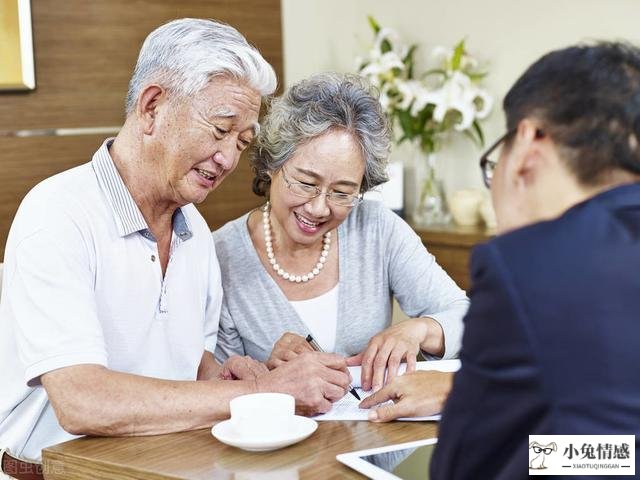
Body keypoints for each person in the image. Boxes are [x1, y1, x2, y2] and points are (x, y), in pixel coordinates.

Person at [0, 19, 351, 475]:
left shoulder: (196, 232)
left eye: (242, 142)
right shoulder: (59, 213)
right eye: (220, 130)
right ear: (152, 107)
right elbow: (82, 400)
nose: (228, 159)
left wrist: (231, 373)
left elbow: (187, 361)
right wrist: (269, 392)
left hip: (163, 466)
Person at [361, 42, 640, 478]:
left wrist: (469, 405)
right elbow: (620, 451)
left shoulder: (530, 265)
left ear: (528, 141)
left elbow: (469, 464)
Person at [213, 73, 469, 392]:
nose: (319, 208)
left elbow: (469, 317)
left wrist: (418, 330)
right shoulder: (220, 257)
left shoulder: (376, 229)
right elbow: (219, 385)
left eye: (342, 192)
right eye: (306, 183)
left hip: (382, 438)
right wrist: (268, 375)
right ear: (272, 165)